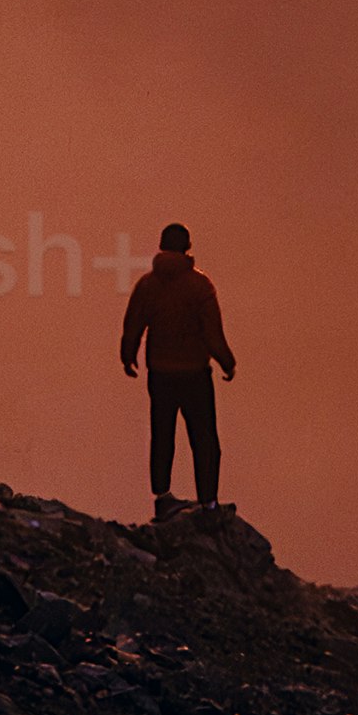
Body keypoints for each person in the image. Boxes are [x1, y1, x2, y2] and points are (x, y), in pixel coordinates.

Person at [116, 220, 237, 516]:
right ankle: (208, 502)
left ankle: (162, 497)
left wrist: (128, 355)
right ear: (187, 247)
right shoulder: (200, 285)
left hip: (160, 373)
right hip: (194, 373)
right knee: (204, 438)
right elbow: (212, 332)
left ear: (161, 246)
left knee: (162, 434)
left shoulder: (147, 285)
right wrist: (226, 360)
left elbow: (133, 325)